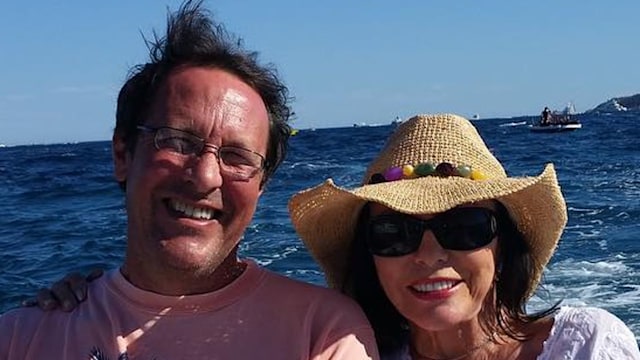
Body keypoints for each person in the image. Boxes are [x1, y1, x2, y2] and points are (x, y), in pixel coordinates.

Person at [0, 1, 378, 359]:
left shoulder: (323, 332)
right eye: (178, 142)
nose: (205, 176)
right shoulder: (22, 337)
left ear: (261, 185)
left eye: (236, 157)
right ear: (122, 155)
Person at [288, 113, 640, 359]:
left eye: (464, 228)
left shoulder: (587, 346)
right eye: (394, 232)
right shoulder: (349, 356)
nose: (429, 254)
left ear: (503, 247)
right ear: (371, 258)